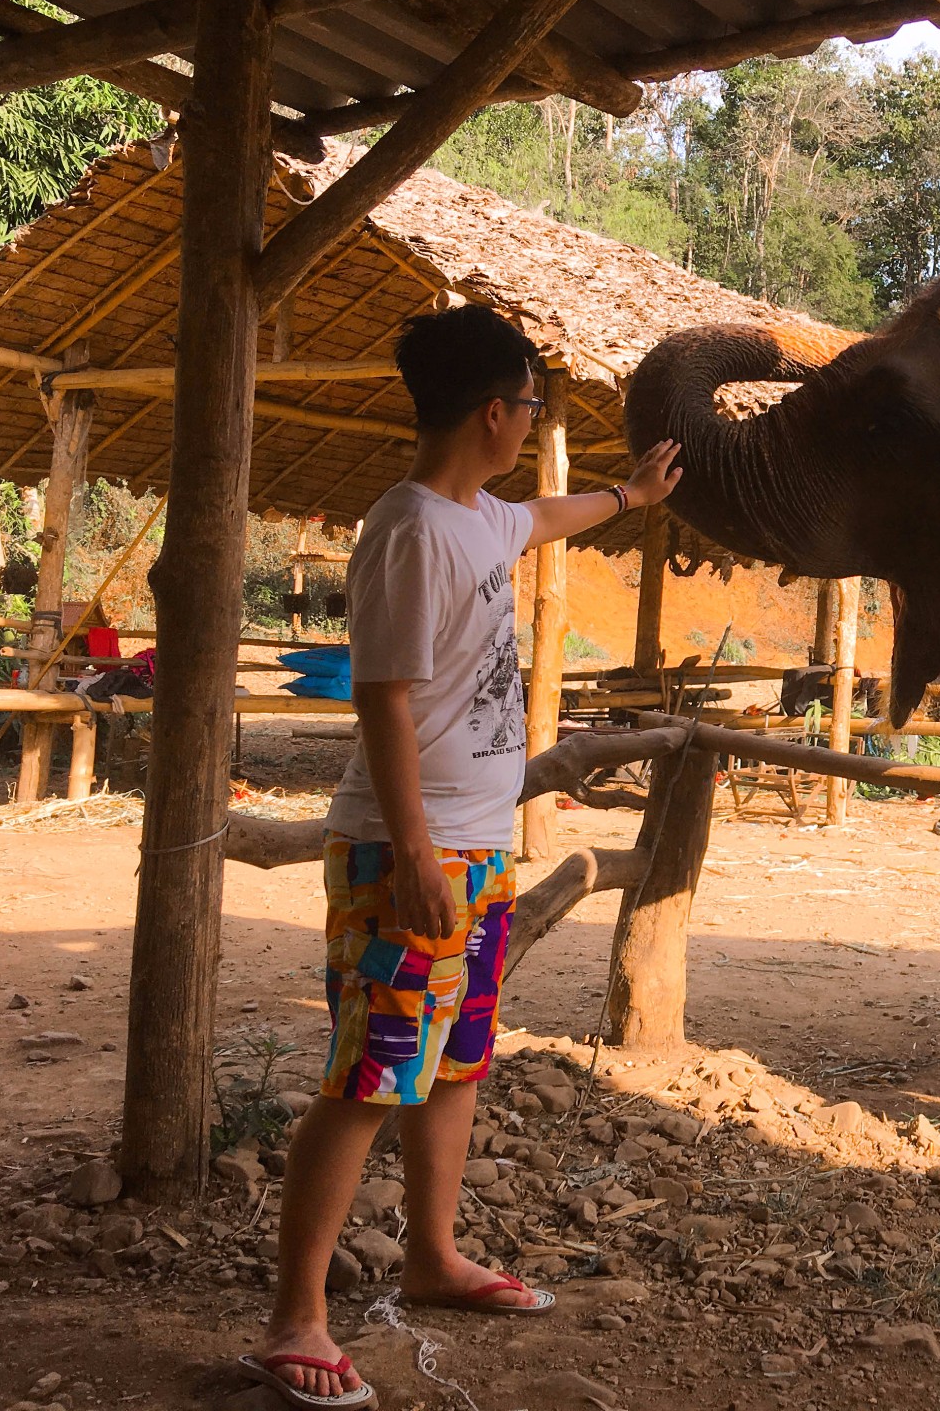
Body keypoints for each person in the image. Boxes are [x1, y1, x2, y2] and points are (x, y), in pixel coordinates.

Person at [241, 306, 681, 1409]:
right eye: (530, 407)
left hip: (472, 850)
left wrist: (630, 496)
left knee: (453, 1062)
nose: (533, 425)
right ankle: (297, 1313)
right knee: (369, 1074)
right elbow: (381, 706)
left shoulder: (481, 518)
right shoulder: (408, 532)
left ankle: (433, 1257)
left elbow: (545, 515)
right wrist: (420, 853)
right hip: (409, 850)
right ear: (495, 411)